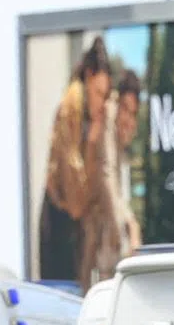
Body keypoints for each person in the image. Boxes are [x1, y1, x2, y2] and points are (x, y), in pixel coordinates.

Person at [38, 37, 111, 283]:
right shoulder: (70, 110)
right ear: (89, 76)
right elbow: (77, 200)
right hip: (59, 225)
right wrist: (92, 144)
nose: (101, 103)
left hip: (72, 228)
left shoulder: (87, 116)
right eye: (99, 93)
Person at [79, 68, 142, 290]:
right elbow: (106, 174)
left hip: (107, 214)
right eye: (126, 109)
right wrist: (125, 225)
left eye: (132, 112)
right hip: (98, 214)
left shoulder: (120, 124)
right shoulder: (109, 115)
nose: (128, 118)